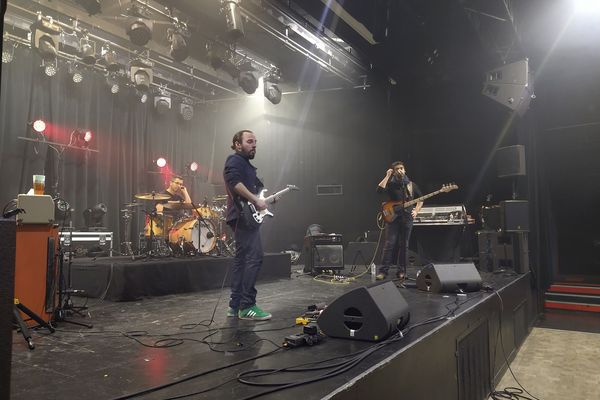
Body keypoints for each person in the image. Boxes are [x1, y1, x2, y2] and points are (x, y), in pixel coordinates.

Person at [223, 129, 271, 321]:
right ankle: (247, 305)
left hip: (244, 216)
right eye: (250, 141)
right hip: (242, 216)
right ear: (237, 144)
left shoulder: (248, 166)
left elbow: (258, 191)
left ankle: (235, 306)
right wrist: (255, 200)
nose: (254, 145)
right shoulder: (234, 160)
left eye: (255, 142)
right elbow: (234, 183)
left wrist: (264, 200)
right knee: (255, 256)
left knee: (241, 260)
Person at [376, 161, 423, 280]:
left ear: (405, 170)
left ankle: (401, 271)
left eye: (401, 168)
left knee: (404, 245)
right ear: (394, 172)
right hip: (393, 218)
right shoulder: (391, 184)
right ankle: (383, 271)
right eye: (397, 169)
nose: (400, 170)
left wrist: (416, 210)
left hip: (407, 218)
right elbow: (379, 191)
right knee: (389, 244)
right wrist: (387, 176)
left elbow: (421, 199)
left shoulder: (411, 185)